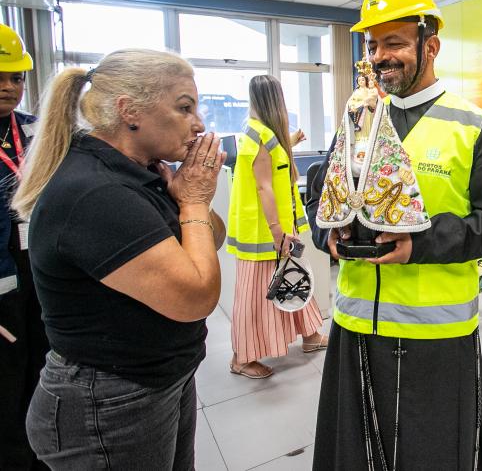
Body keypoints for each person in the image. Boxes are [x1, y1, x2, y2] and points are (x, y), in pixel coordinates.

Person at [306, 0, 482, 470]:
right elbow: (324, 201)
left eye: (395, 43)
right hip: (355, 324)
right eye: (373, 44)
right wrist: (330, 237)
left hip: (437, 336)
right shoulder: (357, 121)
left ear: (432, 46)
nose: (381, 56)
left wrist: (418, 243)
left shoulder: (476, 129)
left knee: (433, 455)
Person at [14, 49, 226, 469]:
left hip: (153, 379)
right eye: (185, 107)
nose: (198, 123)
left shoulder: (141, 171)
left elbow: (209, 239)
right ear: (130, 111)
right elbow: (196, 294)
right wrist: (196, 201)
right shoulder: (97, 192)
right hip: (107, 399)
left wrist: (188, 202)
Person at [226, 75, 327, 379]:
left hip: (280, 228)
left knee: (295, 278)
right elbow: (264, 188)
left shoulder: (265, 135)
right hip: (264, 233)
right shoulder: (255, 136)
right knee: (254, 295)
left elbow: (274, 163)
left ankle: (310, 336)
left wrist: (291, 141)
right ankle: (241, 359)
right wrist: (277, 233)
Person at [0, 23, 49, 470]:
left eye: (16, 77)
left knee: (41, 371)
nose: (9, 87)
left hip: (40, 270)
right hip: (0, 286)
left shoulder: (36, 132)